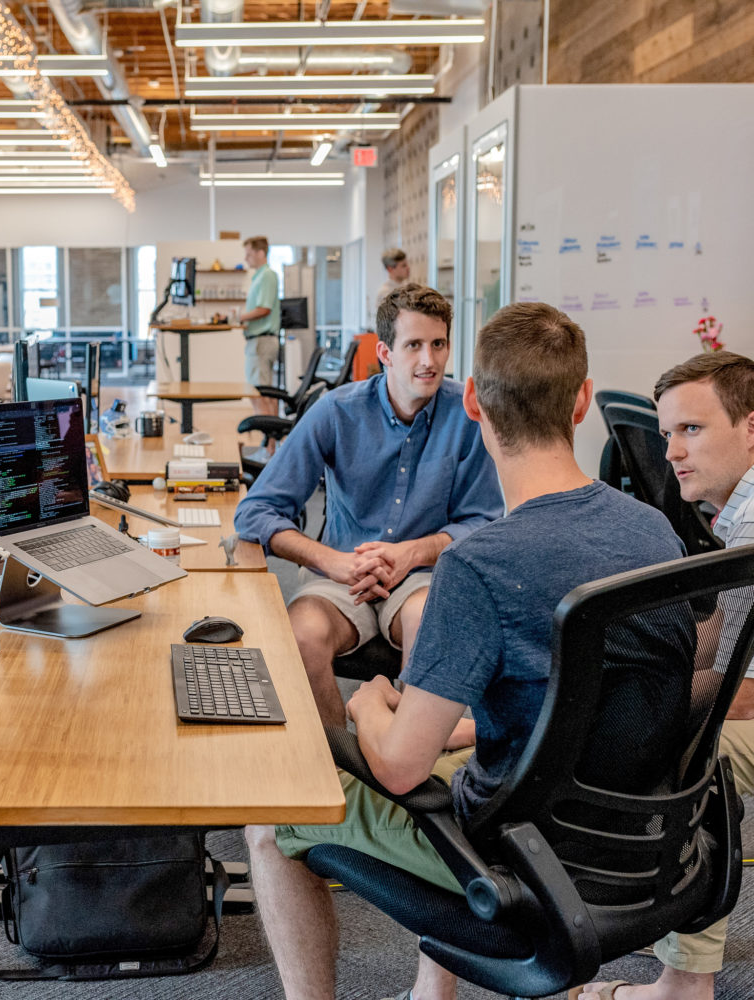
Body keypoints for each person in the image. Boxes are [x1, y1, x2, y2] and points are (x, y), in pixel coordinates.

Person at [245, 301, 691, 1000]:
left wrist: (371, 701)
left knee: (269, 821)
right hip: (643, 845)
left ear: (476, 402)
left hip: (519, 859)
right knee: (452, 746)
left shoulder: (479, 568)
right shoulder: (655, 532)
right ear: (581, 402)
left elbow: (396, 768)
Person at [234, 283, 504, 728]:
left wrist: (412, 553)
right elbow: (255, 511)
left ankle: (405, 761)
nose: (429, 361)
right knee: (301, 636)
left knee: (430, 625)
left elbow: (485, 521)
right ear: (385, 352)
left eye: (439, 344)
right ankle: (341, 764)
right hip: (341, 574)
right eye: (413, 345)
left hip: (422, 576)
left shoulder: (469, 415)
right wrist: (331, 561)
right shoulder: (335, 412)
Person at [578, 350, 754, 1000]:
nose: (672, 452)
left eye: (693, 430)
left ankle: (684, 983)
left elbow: (737, 697)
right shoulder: (738, 512)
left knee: (689, 754)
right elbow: (720, 633)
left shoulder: (753, 523)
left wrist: (613, 710)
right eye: (667, 432)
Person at [238, 235, 281, 417]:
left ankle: (270, 443)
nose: (246, 258)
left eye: (249, 254)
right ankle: (271, 442)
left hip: (262, 341)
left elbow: (264, 309)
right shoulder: (259, 277)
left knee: (260, 394)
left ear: (261, 253)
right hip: (258, 341)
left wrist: (240, 317)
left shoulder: (267, 275)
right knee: (263, 392)